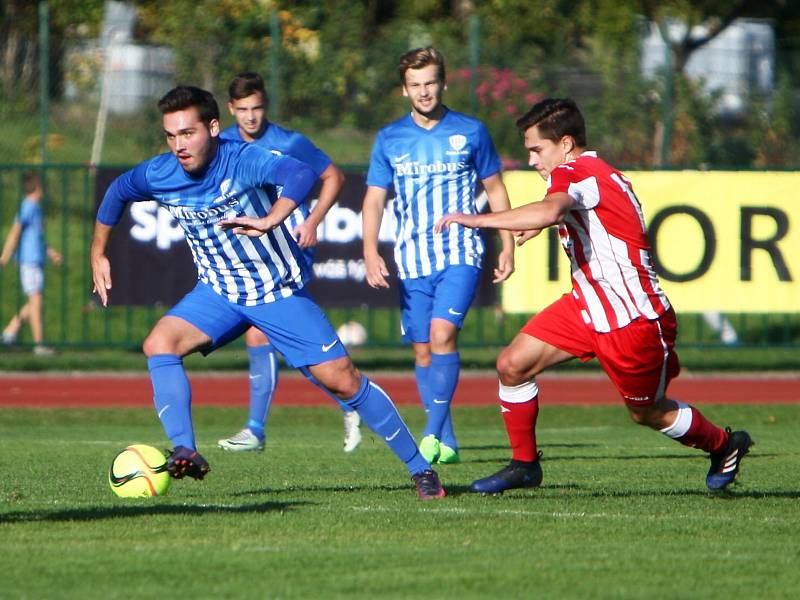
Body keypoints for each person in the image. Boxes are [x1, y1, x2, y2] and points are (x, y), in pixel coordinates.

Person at [91, 85, 444, 500]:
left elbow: (300, 174)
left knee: (343, 381)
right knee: (159, 344)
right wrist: (99, 253)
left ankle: (421, 470)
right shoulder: (160, 173)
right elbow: (117, 192)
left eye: (187, 133)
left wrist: (274, 216)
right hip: (219, 294)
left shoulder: (242, 159)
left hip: (276, 292)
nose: (178, 145)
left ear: (213, 127)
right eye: (171, 135)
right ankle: (185, 448)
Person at [435, 98, 752, 493]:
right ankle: (524, 465)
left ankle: (724, 445)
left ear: (565, 144)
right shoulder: (595, 173)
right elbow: (576, 214)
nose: (533, 160)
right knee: (512, 364)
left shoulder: (575, 172)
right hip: (587, 304)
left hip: (631, 319)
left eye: (537, 150)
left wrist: (475, 219)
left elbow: (553, 209)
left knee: (647, 412)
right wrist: (549, 222)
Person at [362, 47, 515, 465]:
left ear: (443, 83)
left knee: (444, 334)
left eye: (430, 82)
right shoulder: (389, 138)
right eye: (415, 85)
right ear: (404, 90)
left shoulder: (471, 131)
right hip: (412, 260)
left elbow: (496, 191)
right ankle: (446, 439)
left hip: (460, 252)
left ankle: (429, 433)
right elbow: (374, 200)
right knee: (424, 351)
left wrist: (507, 242)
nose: (424, 91)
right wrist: (370, 250)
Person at [216, 72, 362, 454]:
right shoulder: (222, 145)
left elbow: (333, 176)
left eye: (257, 108)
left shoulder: (290, 142)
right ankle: (351, 400)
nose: (251, 117)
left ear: (266, 106)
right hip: (249, 250)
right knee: (285, 337)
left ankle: (255, 430)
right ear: (231, 109)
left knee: (259, 332)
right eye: (243, 109)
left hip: (287, 245)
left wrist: (312, 221)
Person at [1, 172, 62, 356]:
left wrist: (50, 252)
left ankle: (10, 332)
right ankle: (39, 345)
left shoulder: (35, 208)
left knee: (34, 301)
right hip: (29, 262)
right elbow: (15, 232)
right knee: (36, 302)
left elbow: (37, 236)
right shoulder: (27, 207)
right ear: (37, 187)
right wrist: (4, 257)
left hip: (36, 260)